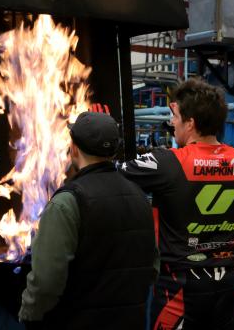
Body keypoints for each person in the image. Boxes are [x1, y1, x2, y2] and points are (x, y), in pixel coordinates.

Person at [118, 79, 234, 330]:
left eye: (176, 117)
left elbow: (117, 173)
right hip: (228, 282)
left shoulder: (168, 162)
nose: (172, 123)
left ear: (190, 123)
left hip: (179, 287)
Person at [19, 112, 157, 330]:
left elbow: (46, 282)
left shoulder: (67, 203)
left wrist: (29, 314)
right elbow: (151, 267)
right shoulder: (139, 197)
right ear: (113, 150)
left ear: (74, 148)